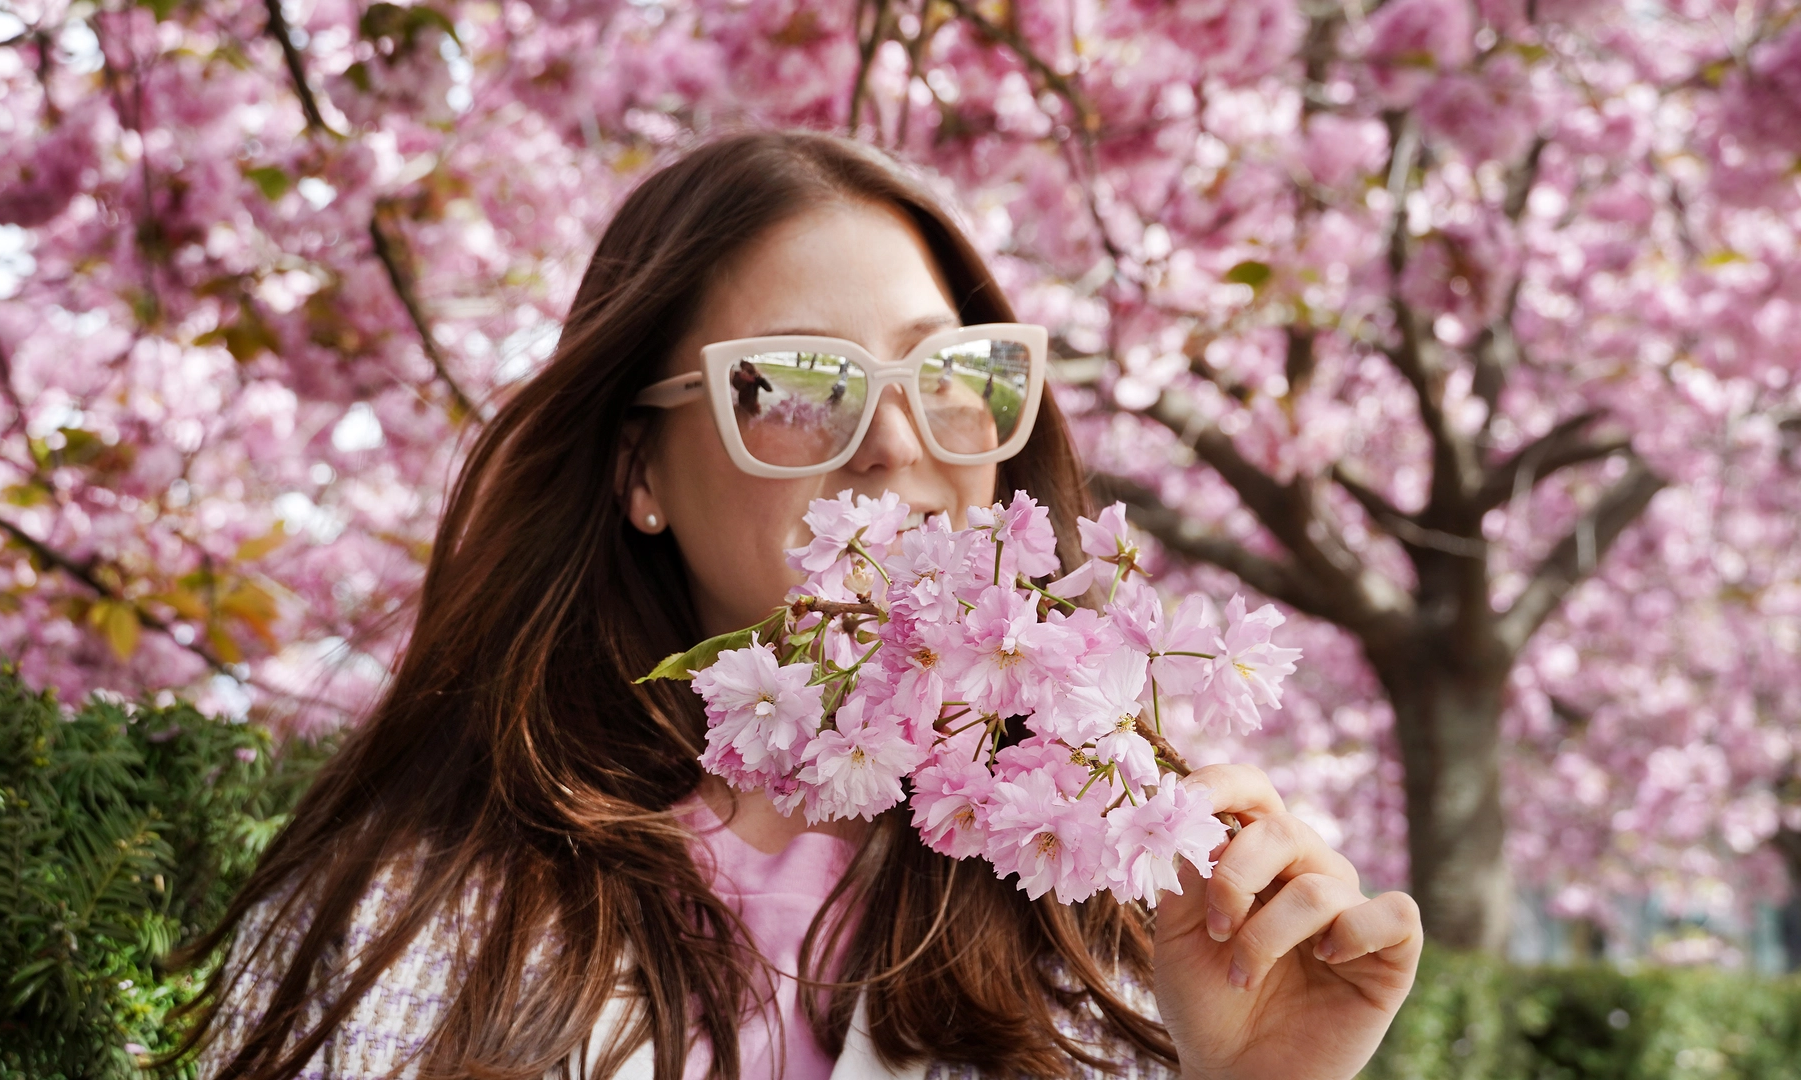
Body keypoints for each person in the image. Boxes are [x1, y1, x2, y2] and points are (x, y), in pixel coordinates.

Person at [182, 130, 1421, 1080]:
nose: (894, 446)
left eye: (954, 375)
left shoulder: (1126, 914)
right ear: (639, 472)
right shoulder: (425, 919)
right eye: (794, 387)